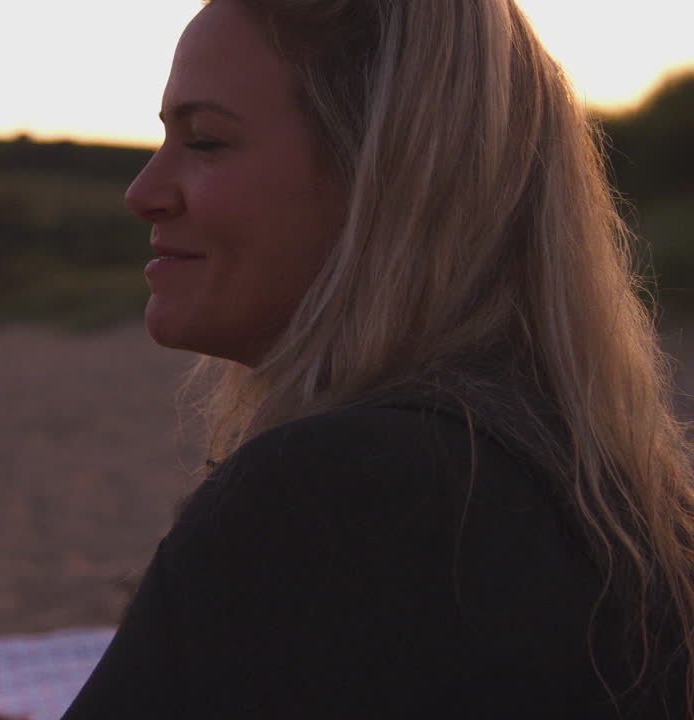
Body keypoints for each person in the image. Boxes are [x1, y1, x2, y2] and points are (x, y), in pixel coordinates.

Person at [60, 0, 694, 718]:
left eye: (205, 141)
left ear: (388, 177)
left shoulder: (340, 495)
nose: (142, 193)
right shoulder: (590, 483)